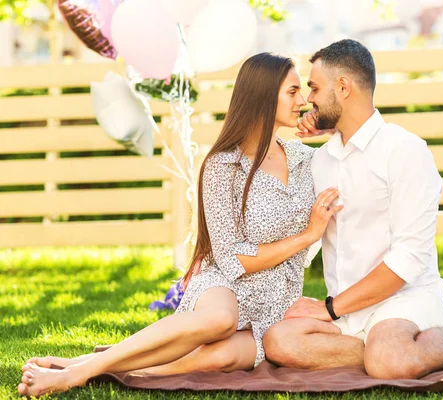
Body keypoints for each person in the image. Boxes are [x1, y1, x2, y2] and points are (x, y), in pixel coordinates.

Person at [17, 52, 341, 397]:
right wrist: (308, 235)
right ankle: (79, 373)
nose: (304, 100)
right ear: (263, 94)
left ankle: (89, 366)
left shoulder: (307, 159)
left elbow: (352, 141)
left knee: (225, 356)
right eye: (293, 92)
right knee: (220, 321)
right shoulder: (223, 166)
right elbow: (233, 260)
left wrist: (327, 125)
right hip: (226, 287)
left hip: (276, 299)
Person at [263, 39, 443, 379]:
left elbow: (409, 258)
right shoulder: (321, 159)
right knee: (278, 341)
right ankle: (431, 351)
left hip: (405, 300)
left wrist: (329, 309)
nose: (309, 99)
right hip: (347, 310)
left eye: (314, 88)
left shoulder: (405, 151)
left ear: (343, 87)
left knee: (390, 361)